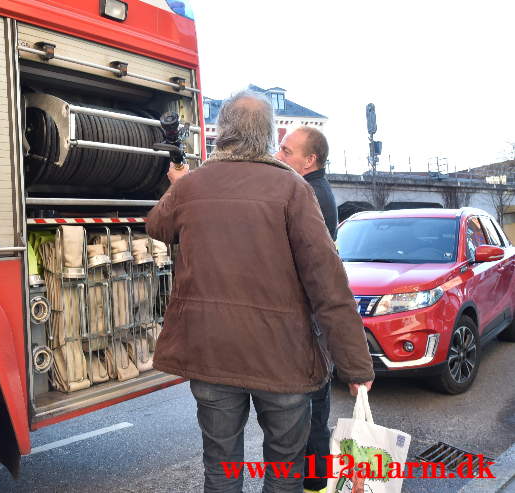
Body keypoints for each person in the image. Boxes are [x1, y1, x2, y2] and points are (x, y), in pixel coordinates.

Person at [147, 90, 374, 493]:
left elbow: (157, 228)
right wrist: (355, 366)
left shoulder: (191, 186)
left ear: (223, 133)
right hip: (282, 360)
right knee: (285, 471)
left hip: (211, 353)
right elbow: (328, 281)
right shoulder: (292, 189)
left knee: (220, 468)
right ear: (267, 136)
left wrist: (178, 187)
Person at [275, 127, 336, 493]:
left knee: (310, 413)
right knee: (314, 409)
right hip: (312, 322)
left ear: (309, 160)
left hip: (307, 323)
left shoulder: (308, 194)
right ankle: (315, 483)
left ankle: (313, 485)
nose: (280, 156)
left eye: (287, 151)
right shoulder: (315, 191)